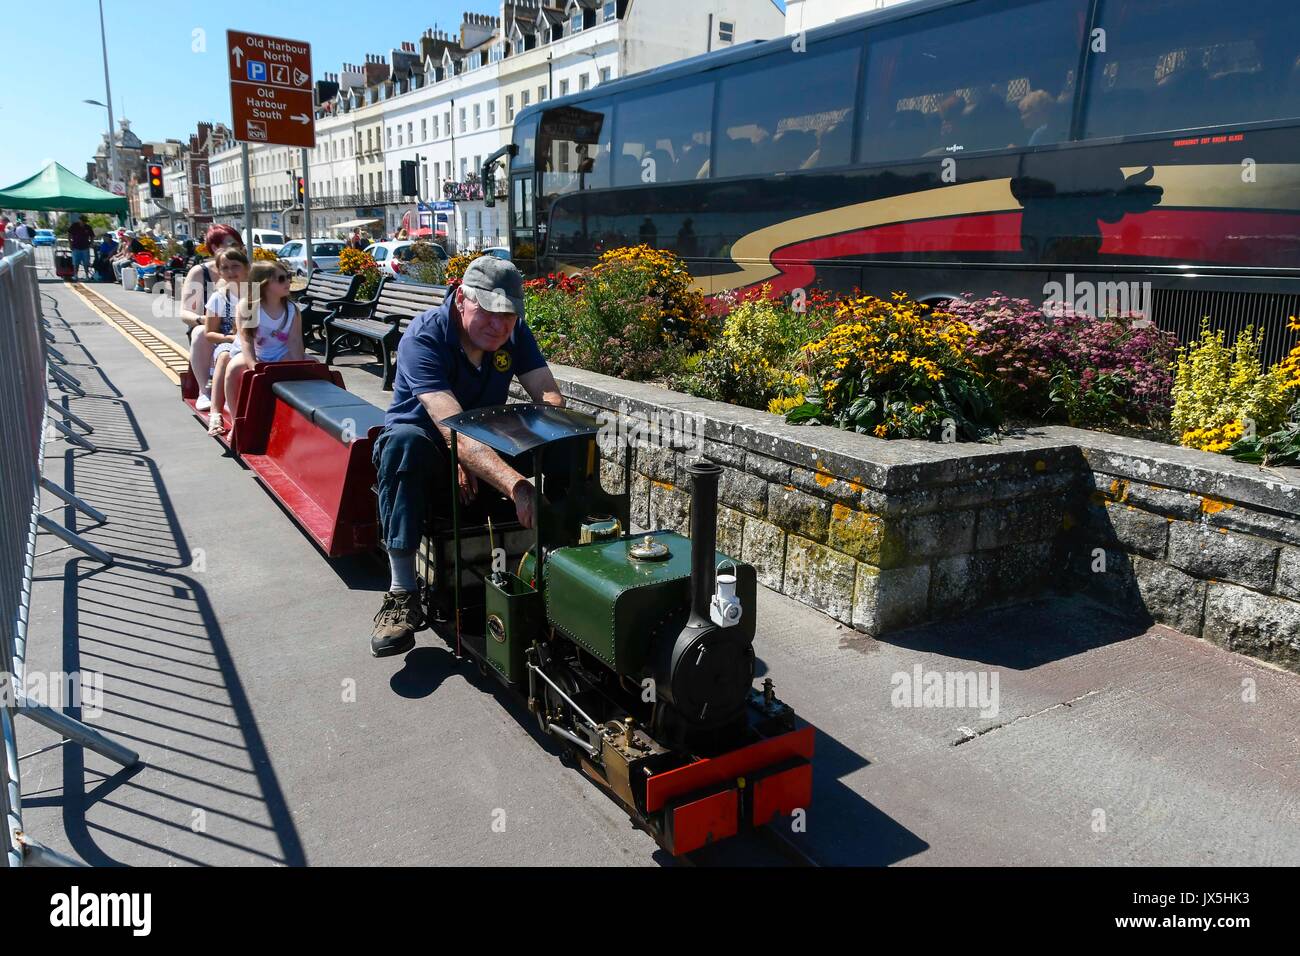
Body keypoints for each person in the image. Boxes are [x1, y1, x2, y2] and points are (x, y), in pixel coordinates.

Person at [368, 257, 562, 657]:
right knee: (403, 445)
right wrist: (518, 486)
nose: (499, 325)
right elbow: (450, 426)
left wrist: (557, 438)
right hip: (428, 441)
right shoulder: (424, 337)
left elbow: (547, 393)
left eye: (508, 316)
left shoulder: (514, 333)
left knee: (550, 441)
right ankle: (402, 593)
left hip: (478, 438)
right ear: (461, 299)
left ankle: (561, 560)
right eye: (488, 312)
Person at [221, 259, 307, 438]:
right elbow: (246, 341)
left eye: (288, 277)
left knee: (312, 366)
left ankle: (298, 419)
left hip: (280, 351)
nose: (288, 282)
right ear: (264, 283)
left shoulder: (292, 309)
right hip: (252, 352)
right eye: (282, 279)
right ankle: (237, 419)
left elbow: (295, 342)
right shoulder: (249, 307)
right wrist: (254, 365)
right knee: (234, 369)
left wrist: (299, 367)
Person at [184, 224, 246, 411]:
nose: (231, 249)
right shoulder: (200, 272)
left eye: (235, 244)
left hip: (241, 328)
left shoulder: (245, 271)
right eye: (225, 245)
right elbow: (185, 312)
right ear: (213, 248)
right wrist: (207, 320)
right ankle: (205, 391)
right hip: (211, 326)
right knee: (201, 333)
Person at [200, 249, 250, 434]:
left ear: (246, 267)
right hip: (228, 341)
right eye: (225, 268)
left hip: (255, 342)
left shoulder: (257, 293)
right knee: (224, 356)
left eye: (235, 266)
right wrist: (233, 338)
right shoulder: (220, 298)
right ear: (220, 272)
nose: (231, 271)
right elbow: (209, 333)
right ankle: (216, 413)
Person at [68, 215, 95, 280]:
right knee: (75, 262)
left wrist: (91, 243)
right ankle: (75, 275)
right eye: (83, 221)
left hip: (85, 247)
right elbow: (69, 235)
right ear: (80, 220)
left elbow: (92, 236)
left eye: (85, 221)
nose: (84, 222)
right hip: (76, 246)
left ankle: (86, 275)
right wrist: (70, 244)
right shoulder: (74, 226)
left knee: (86, 262)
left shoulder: (88, 227)